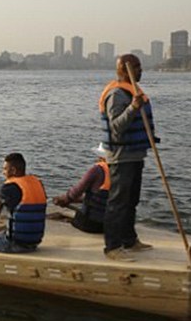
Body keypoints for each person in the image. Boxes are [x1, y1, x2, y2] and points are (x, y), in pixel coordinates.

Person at [98, 53, 158, 261]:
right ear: (126, 70)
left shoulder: (134, 91)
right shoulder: (117, 95)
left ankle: (129, 240)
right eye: (137, 67)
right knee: (118, 203)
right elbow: (116, 128)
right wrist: (133, 107)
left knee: (131, 201)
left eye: (141, 66)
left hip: (135, 155)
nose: (141, 70)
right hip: (121, 156)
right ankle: (112, 247)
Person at [0, 153, 47, 253]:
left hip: (16, 243)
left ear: (13, 170)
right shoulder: (37, 182)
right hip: (34, 241)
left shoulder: (9, 187)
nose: (3, 172)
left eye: (5, 169)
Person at [53, 150, 109, 234]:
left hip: (92, 224)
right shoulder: (121, 172)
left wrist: (65, 199)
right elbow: (102, 196)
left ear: (101, 157)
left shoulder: (97, 170)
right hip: (111, 225)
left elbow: (76, 192)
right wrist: (73, 199)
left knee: (62, 218)